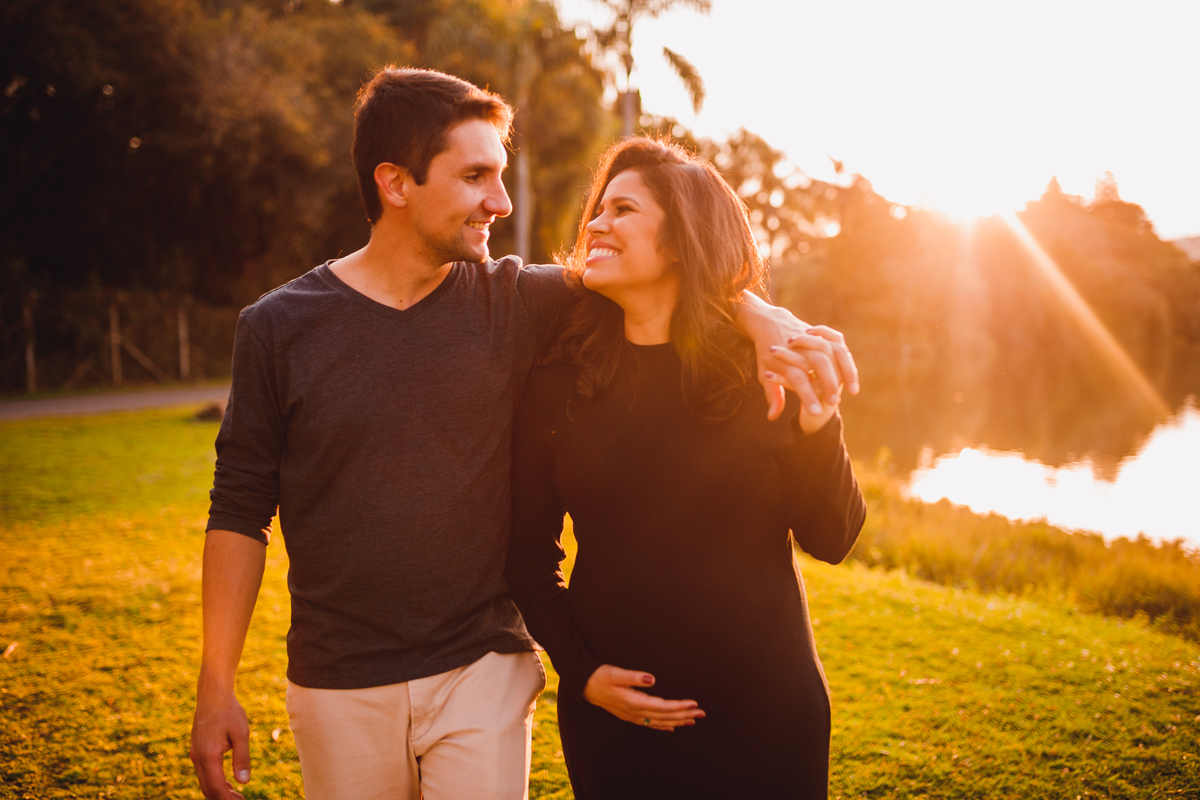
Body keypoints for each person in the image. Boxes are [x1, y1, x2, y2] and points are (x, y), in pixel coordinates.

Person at [190, 67, 858, 800]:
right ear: (395, 182)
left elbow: (676, 276)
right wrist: (215, 685)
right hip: (337, 677)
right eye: (476, 176)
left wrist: (764, 319)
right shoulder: (278, 328)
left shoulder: (517, 299)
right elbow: (239, 507)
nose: (500, 203)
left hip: (484, 668)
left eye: (501, 175)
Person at [506, 138, 867, 799]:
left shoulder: (761, 369)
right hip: (615, 726)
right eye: (599, 208)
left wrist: (820, 424)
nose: (596, 223)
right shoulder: (558, 383)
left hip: (766, 716)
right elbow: (527, 556)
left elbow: (833, 538)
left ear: (680, 241)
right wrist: (581, 672)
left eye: (623, 210)